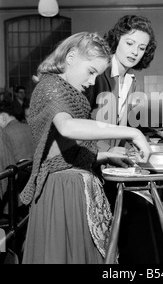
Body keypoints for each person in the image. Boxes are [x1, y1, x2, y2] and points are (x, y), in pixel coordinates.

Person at [20, 32, 152, 264]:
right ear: (71, 57)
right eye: (91, 72)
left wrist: (104, 156)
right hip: (63, 192)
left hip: (75, 187)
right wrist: (132, 131)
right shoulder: (50, 86)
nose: (92, 82)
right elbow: (68, 128)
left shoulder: (69, 91)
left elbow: (65, 150)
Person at [86, 14, 157, 152]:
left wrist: (135, 149)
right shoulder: (98, 73)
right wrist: (106, 150)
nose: (135, 52)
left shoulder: (131, 81)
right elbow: (79, 122)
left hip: (109, 160)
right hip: (91, 156)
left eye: (142, 48)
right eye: (129, 43)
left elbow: (119, 129)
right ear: (117, 40)